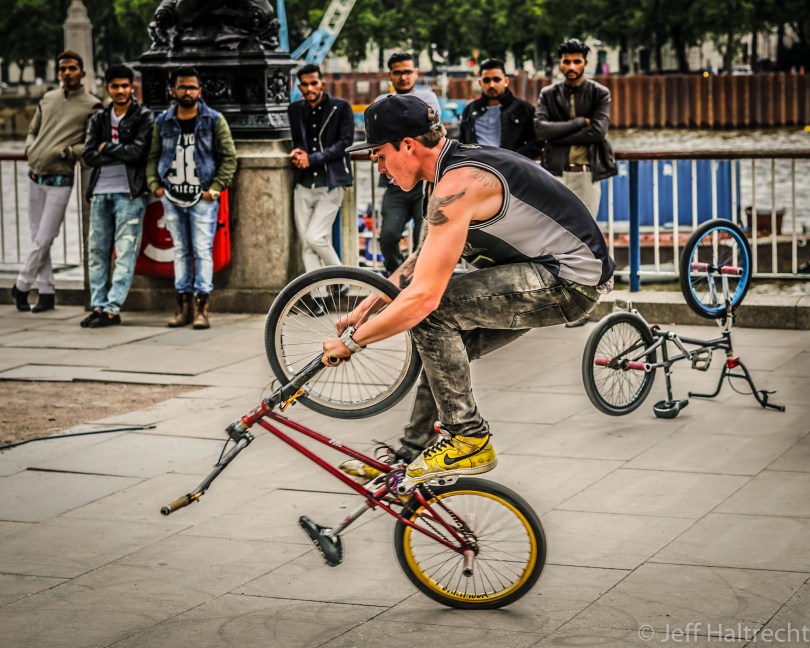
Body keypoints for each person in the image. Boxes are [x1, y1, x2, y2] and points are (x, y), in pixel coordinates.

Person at [326, 95, 614, 485]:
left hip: (567, 281)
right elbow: (418, 266)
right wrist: (366, 309)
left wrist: (354, 342)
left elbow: (424, 299)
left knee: (434, 313)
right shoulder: (446, 177)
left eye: (379, 155)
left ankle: (469, 439)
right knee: (444, 353)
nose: (379, 168)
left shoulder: (460, 184)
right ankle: (411, 453)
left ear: (407, 145)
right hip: (542, 275)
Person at [146, 66, 236, 329]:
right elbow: (153, 156)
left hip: (202, 199)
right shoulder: (163, 120)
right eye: (182, 87)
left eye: (192, 87)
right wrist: (155, 186)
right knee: (181, 251)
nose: (188, 92)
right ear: (173, 90)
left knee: (202, 251)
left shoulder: (214, 119)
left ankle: (202, 310)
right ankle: (181, 308)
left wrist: (216, 189)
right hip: (171, 197)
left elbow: (229, 158)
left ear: (200, 90)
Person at [12, 50, 102, 313]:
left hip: (61, 177)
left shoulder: (92, 104)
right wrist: (31, 148)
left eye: (72, 68)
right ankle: (47, 291)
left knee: (45, 236)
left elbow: (92, 145)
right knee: (38, 237)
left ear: (82, 72)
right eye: (63, 69)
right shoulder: (48, 98)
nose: (67, 73)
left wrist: (69, 152)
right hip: (34, 173)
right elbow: (32, 130)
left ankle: (21, 284)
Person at [81, 64, 154, 328]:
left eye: (126, 86)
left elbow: (137, 152)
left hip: (129, 193)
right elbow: (88, 154)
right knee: (97, 251)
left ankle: (113, 309)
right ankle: (98, 305)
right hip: (100, 192)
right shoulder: (99, 118)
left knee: (125, 251)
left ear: (132, 87)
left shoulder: (144, 116)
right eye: (116, 86)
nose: (121, 91)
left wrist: (107, 147)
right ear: (108, 88)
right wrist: (118, 150)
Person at [288, 63, 354, 293]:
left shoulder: (341, 107)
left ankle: (343, 280)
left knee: (315, 238)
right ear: (299, 87)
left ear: (322, 84)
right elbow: (298, 140)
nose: (309, 88)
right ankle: (317, 297)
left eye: (313, 83)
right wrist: (298, 152)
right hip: (303, 183)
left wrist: (312, 158)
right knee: (307, 243)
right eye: (304, 84)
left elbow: (345, 143)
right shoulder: (294, 109)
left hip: (332, 183)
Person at [534, 38, 617, 219]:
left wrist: (555, 137)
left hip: (586, 174)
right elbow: (540, 130)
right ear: (560, 63)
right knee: (553, 232)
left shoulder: (599, 93)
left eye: (577, 62)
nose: (571, 67)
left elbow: (598, 132)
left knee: (586, 234)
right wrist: (579, 122)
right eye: (567, 62)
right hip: (555, 174)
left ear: (585, 63)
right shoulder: (548, 94)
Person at [374, 52, 440, 275]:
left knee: (426, 239)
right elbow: (376, 142)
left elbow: (432, 136)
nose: (403, 77)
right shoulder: (380, 101)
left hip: (424, 182)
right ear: (390, 75)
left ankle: (418, 281)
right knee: (388, 237)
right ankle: (398, 278)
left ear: (416, 73)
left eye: (408, 72)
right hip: (394, 183)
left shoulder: (428, 97)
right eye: (398, 72)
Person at [459, 58, 543, 159]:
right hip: (476, 167)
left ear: (506, 81)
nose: (492, 85)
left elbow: (537, 142)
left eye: (496, 79)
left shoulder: (524, 109)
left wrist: (514, 158)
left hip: (511, 169)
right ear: (480, 83)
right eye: (487, 80)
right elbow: (462, 144)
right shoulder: (469, 110)